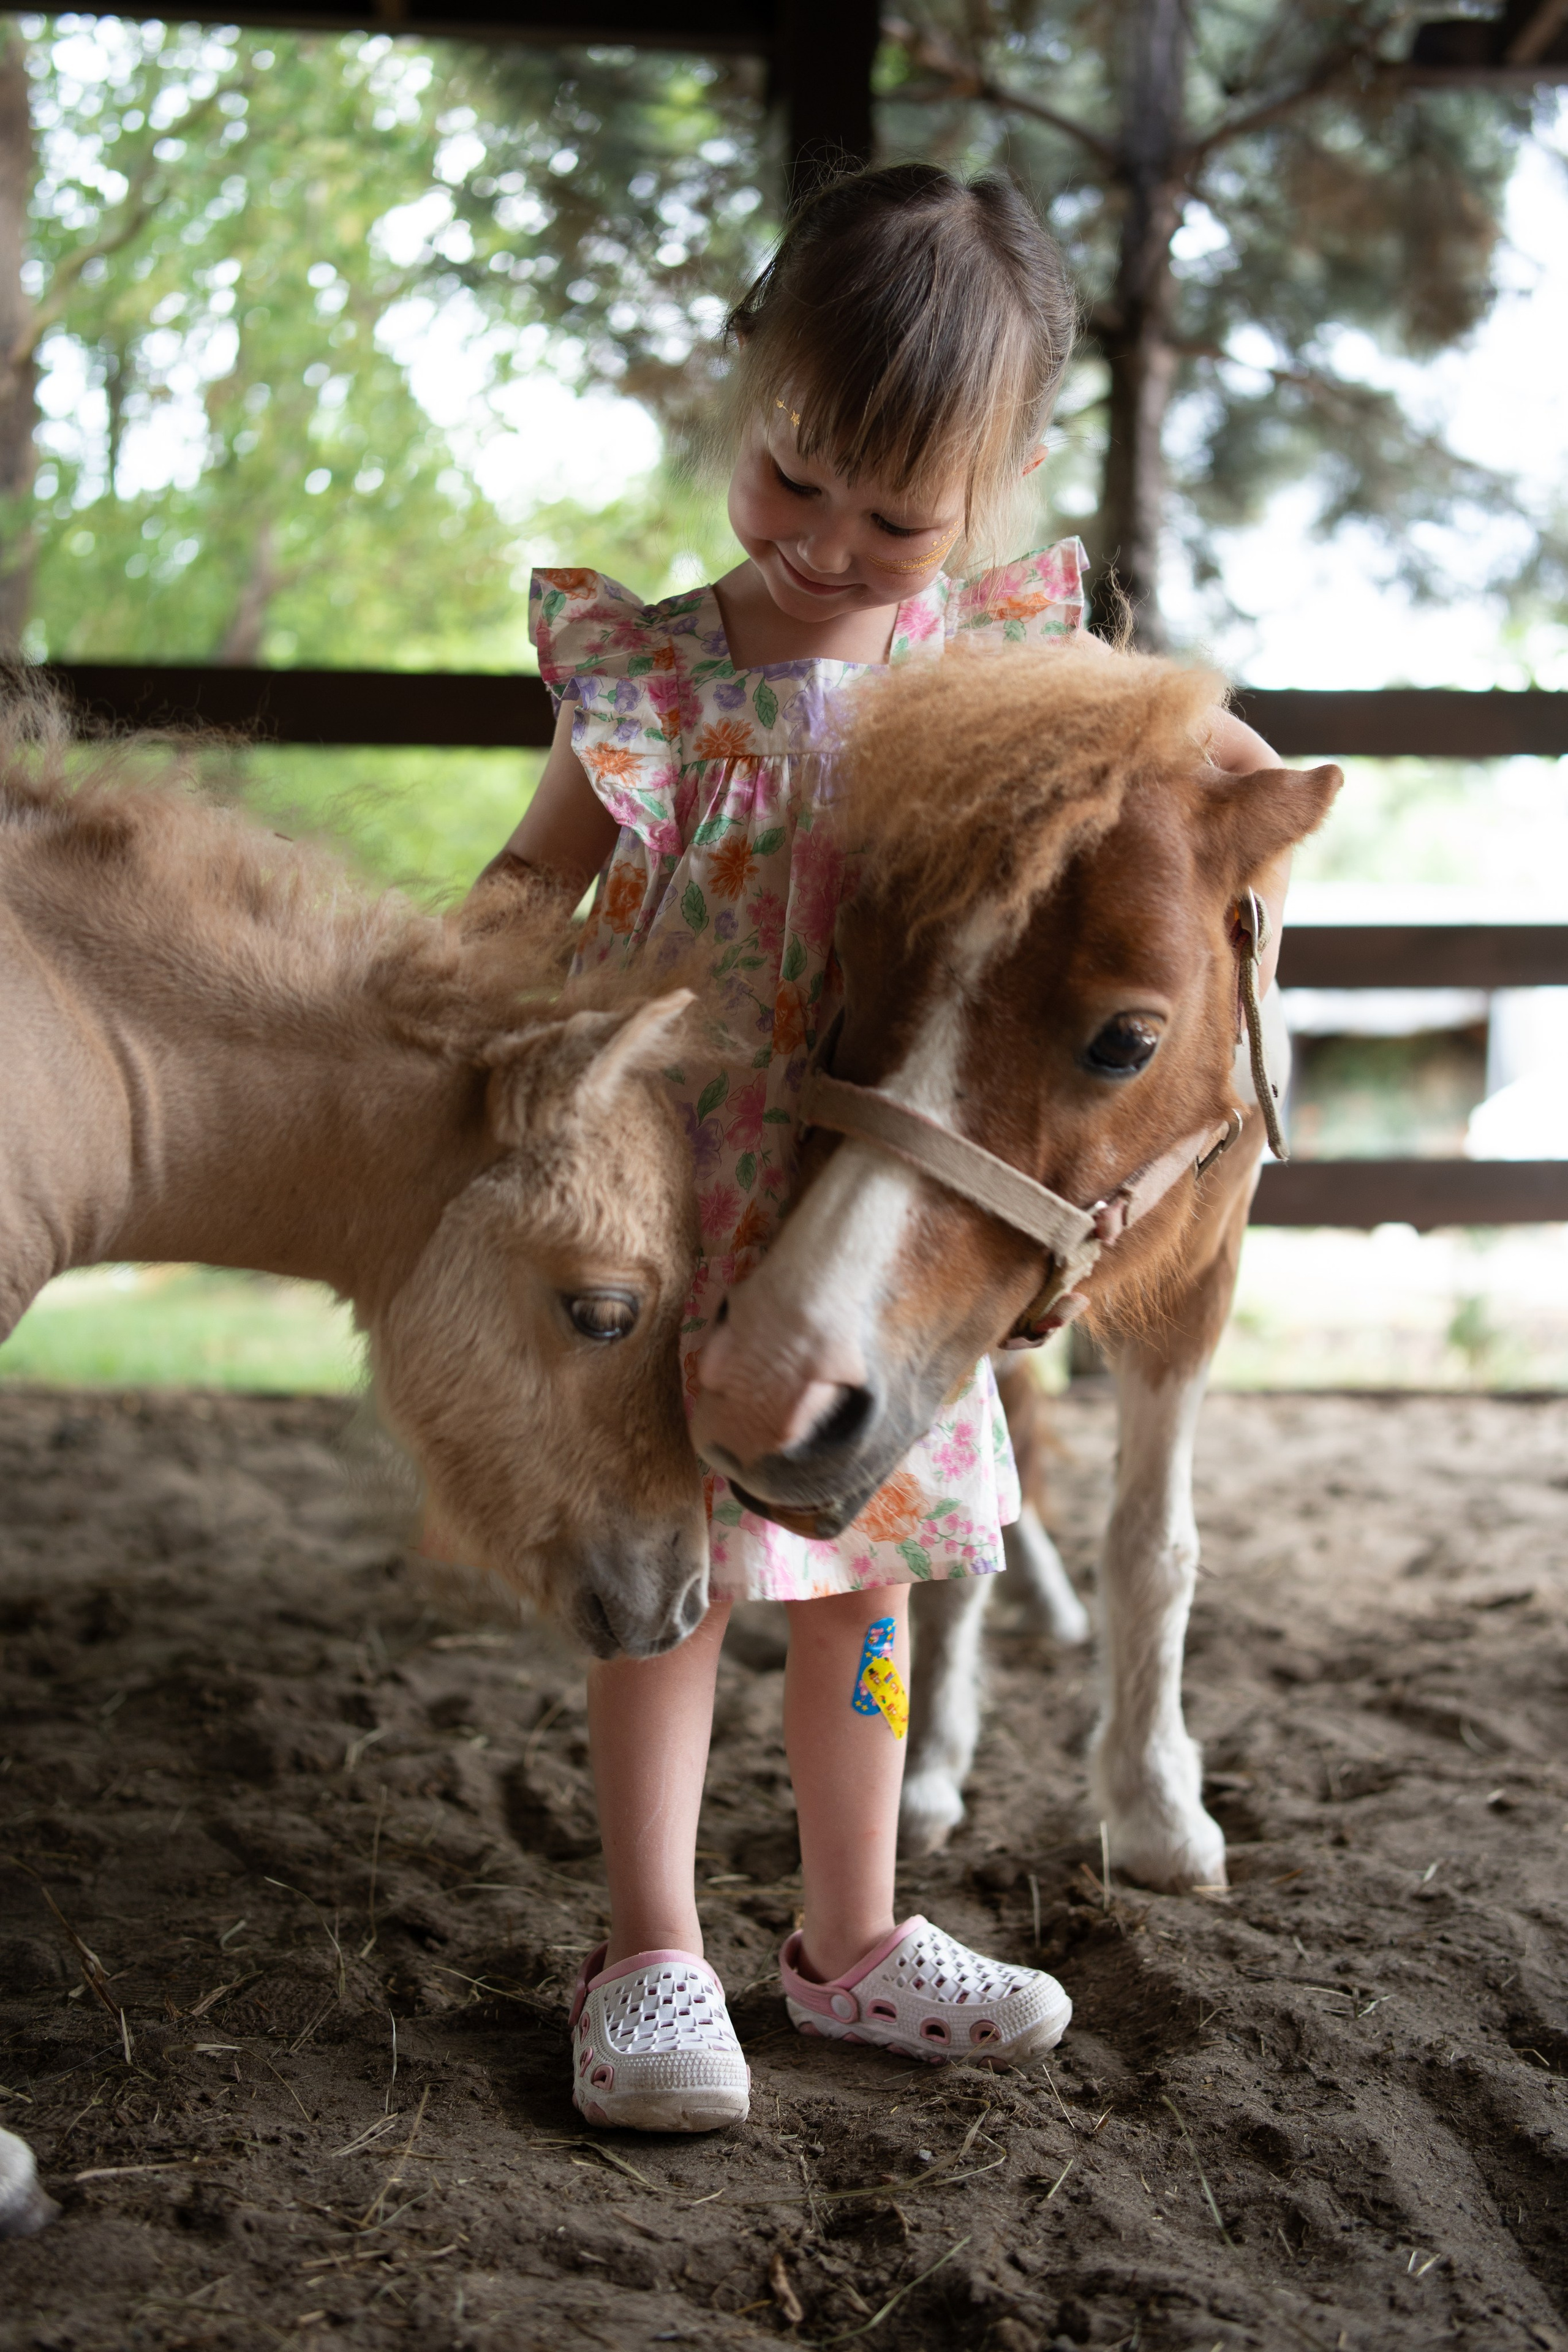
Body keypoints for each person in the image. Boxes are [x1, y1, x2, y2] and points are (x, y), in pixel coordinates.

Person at [477, 163, 1286, 2133]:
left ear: (1001, 487)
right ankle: (652, 1951)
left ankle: (851, 1940)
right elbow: (521, 889)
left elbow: (1187, 776)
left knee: (872, 1577)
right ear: (750, 393)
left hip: (883, 1217)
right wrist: (457, 1024)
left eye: (897, 517)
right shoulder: (655, 683)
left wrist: (1249, 789)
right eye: (792, 476)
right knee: (668, 1582)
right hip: (676, 1204)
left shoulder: (998, 675)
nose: (829, 545)